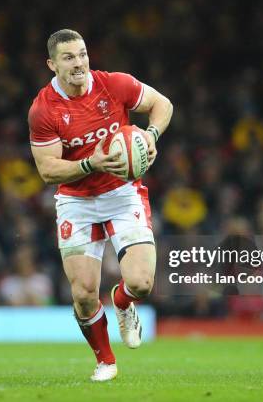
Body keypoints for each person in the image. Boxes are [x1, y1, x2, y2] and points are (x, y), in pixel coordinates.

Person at [28, 29, 173, 381]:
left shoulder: (115, 84)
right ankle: (106, 361)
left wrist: (150, 135)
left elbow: (162, 105)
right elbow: (48, 169)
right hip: (76, 203)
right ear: (52, 64)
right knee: (83, 294)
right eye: (68, 58)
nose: (78, 63)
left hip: (122, 194)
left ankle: (123, 303)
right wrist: (90, 163)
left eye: (82, 54)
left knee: (140, 284)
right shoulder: (43, 108)